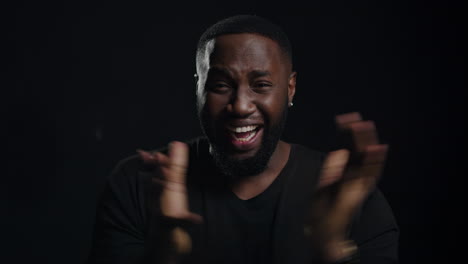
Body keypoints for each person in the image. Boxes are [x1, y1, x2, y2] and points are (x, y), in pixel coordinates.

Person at [87, 15, 399, 264]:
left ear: (290, 89)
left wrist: (330, 247)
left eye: (261, 85)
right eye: (221, 85)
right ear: (199, 89)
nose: (240, 105)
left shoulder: (349, 197)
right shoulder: (137, 185)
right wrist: (166, 252)